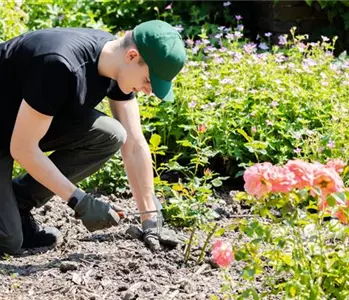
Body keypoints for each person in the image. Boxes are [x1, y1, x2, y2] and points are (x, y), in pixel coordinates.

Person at [0, 20, 186, 255]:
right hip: (10, 132)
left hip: (18, 122)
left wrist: (149, 214)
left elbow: (135, 144)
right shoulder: (59, 65)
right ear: (131, 56)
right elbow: (23, 148)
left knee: (111, 134)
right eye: (149, 81)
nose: (148, 91)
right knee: (8, 241)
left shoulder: (115, 66)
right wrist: (79, 201)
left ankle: (17, 203)